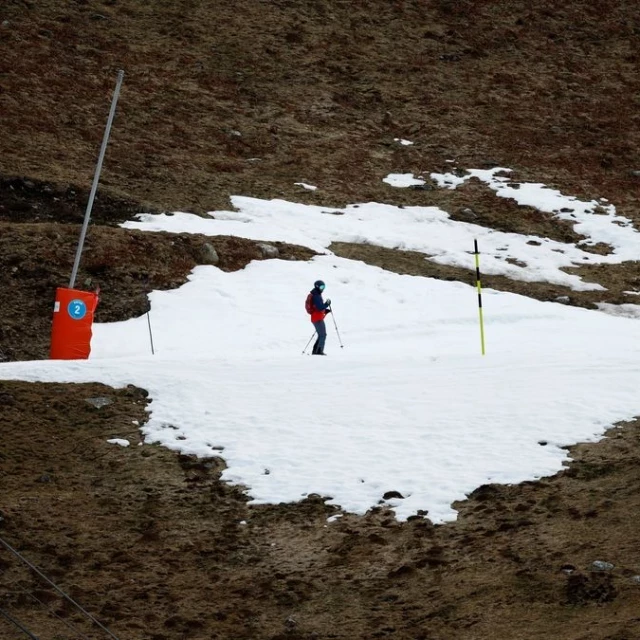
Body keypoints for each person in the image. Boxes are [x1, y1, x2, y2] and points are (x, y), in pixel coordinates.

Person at [309, 280, 331, 355]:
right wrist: (326, 304)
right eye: (321, 287)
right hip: (317, 318)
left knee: (321, 335)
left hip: (316, 317)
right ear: (317, 286)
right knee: (323, 335)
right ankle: (318, 351)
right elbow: (319, 307)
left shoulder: (316, 294)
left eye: (324, 287)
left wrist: (325, 310)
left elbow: (318, 307)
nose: (323, 288)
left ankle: (316, 351)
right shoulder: (316, 295)